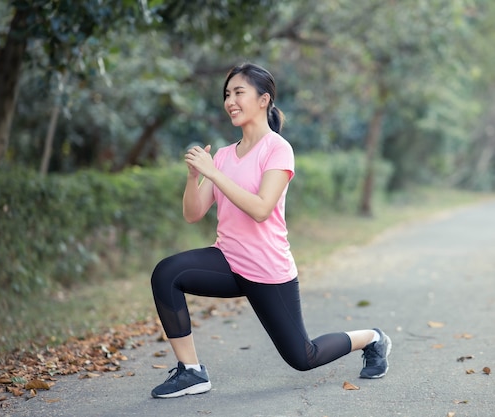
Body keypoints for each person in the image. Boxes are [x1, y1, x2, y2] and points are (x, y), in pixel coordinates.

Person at [150, 62, 391, 399]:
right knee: (166, 274)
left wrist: (215, 175)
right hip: (228, 261)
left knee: (303, 357)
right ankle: (191, 372)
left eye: (238, 92)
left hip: (267, 270)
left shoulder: (277, 149)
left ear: (263, 100)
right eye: (227, 94)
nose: (230, 100)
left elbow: (261, 209)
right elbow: (193, 214)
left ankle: (373, 338)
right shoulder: (221, 155)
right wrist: (194, 176)